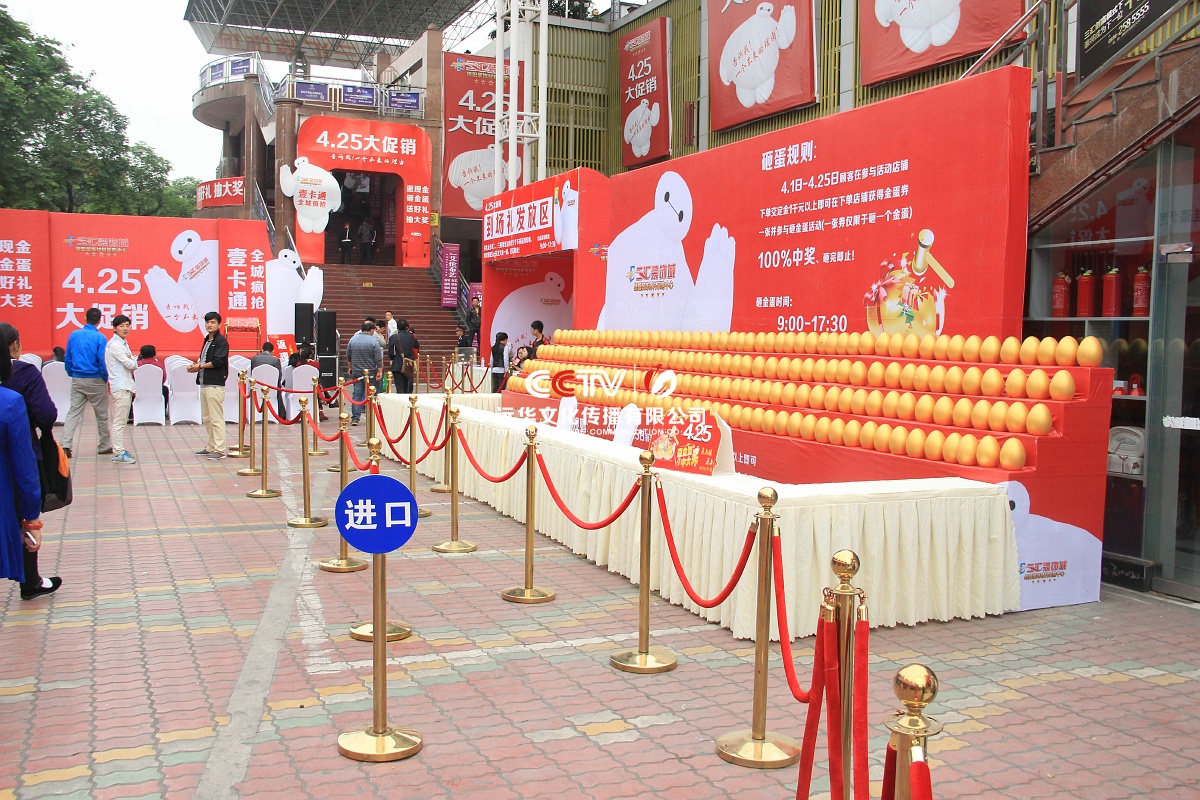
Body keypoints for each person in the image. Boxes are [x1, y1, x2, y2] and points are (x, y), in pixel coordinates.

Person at [0, 323, 62, 600]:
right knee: (23, 514)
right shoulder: (17, 387)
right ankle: (30, 580)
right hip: (14, 458)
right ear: (14, 345)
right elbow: (47, 413)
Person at [61, 307, 111, 459]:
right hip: (95, 378)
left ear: (84, 318)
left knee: (73, 412)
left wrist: (71, 372)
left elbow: (68, 356)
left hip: (78, 377)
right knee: (102, 414)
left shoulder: (74, 335)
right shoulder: (100, 338)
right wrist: (105, 377)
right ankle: (104, 445)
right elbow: (101, 360)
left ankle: (65, 444)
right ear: (99, 320)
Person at [188, 312, 229, 459]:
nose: (209, 325)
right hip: (204, 382)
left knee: (216, 418)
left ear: (219, 324)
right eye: (207, 322)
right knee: (207, 418)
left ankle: (220, 449)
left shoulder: (221, 341)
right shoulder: (207, 340)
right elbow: (204, 360)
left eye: (212, 322)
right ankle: (211, 446)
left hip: (215, 384)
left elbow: (218, 361)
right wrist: (197, 366)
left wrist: (199, 366)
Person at [105, 314, 138, 464]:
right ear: (114, 328)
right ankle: (118, 452)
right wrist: (133, 360)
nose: (125, 328)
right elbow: (130, 364)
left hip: (125, 385)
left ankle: (119, 450)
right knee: (119, 421)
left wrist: (132, 360)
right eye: (121, 326)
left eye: (127, 325)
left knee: (122, 420)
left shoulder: (123, 342)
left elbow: (130, 361)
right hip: (121, 386)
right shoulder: (115, 345)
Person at [346, 321, 382, 425]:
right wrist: (379, 370)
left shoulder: (353, 339)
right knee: (372, 393)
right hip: (371, 371)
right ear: (371, 330)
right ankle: (373, 415)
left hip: (357, 371)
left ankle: (355, 418)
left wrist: (350, 367)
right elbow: (378, 358)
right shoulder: (374, 341)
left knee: (357, 393)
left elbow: (348, 356)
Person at [388, 319, 418, 395]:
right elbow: (416, 346)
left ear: (397, 328)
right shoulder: (411, 336)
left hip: (397, 363)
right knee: (406, 385)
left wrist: (392, 358)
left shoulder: (394, 337)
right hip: (408, 364)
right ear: (407, 327)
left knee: (399, 387)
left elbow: (391, 352)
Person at [137, 345, 169, 410]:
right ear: (154, 354)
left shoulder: (136, 364)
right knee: (165, 389)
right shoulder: (159, 365)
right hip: (156, 390)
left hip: (139, 390)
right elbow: (163, 379)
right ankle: (163, 410)